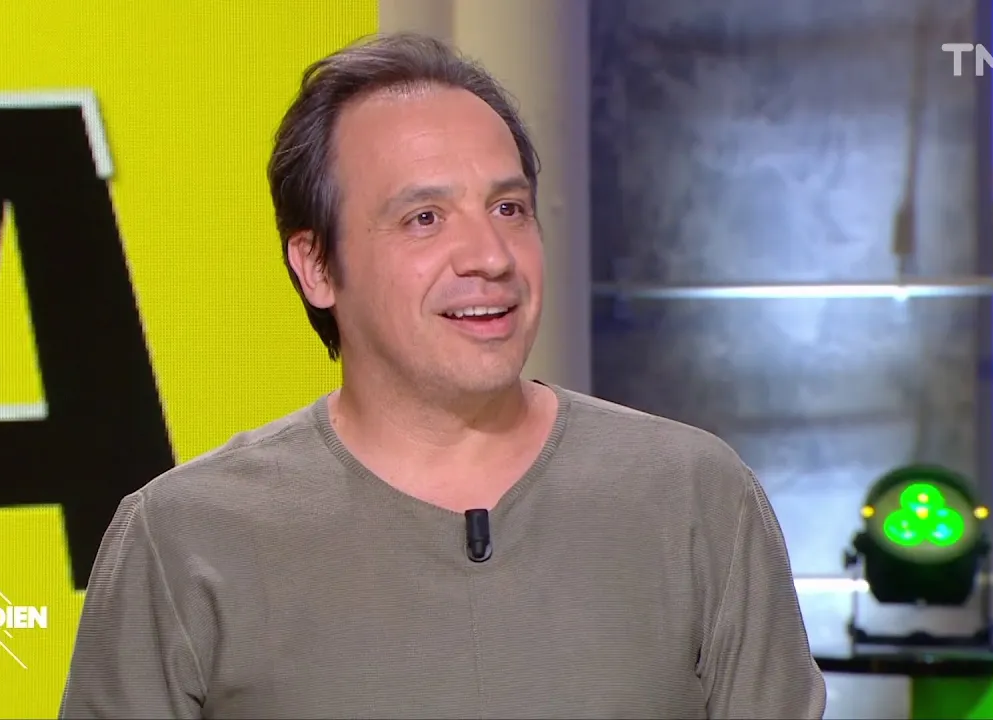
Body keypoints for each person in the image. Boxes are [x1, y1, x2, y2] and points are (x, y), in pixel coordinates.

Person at [59, 32, 826, 720]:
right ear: (317, 265)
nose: (490, 257)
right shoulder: (186, 537)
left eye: (509, 208)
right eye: (424, 218)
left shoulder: (696, 498)